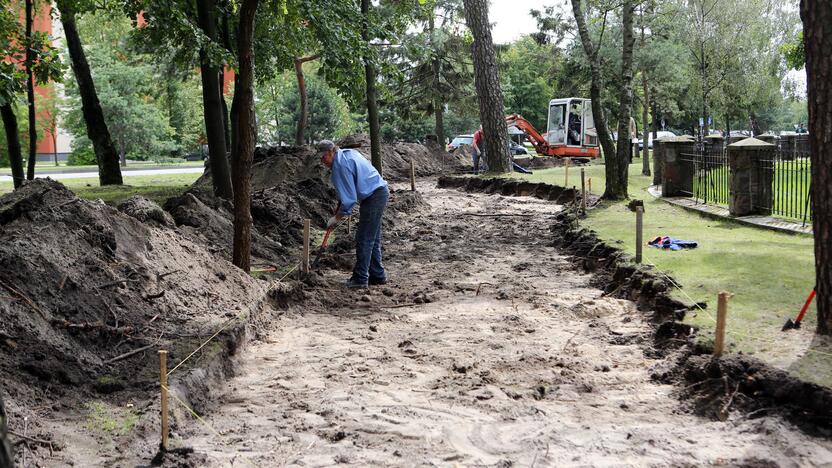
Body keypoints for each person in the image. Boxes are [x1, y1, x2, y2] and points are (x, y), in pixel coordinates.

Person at [317, 140, 389, 289]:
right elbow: (350, 188)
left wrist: (336, 218)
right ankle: (377, 275)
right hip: (378, 192)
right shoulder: (347, 154)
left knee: (364, 239)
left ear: (331, 151)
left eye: (323, 157)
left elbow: (349, 200)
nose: (322, 161)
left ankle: (360, 279)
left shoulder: (340, 166)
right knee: (372, 238)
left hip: (374, 196)